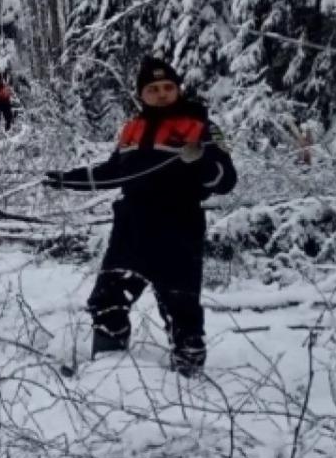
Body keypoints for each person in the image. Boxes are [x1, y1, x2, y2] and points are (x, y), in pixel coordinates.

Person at [42, 57, 236, 377]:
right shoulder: (133, 128)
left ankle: (189, 384)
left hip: (179, 228)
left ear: (178, 90)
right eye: (153, 89)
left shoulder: (201, 127)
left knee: (181, 310)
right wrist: (67, 179)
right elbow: (112, 172)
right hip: (132, 227)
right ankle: (109, 375)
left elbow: (226, 181)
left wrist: (200, 161)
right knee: (107, 299)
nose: (161, 94)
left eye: (168, 87)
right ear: (141, 95)